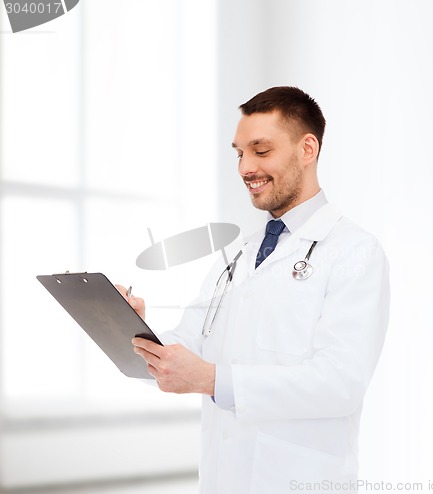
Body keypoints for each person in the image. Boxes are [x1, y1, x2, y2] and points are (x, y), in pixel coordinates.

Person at [118, 86, 390, 494]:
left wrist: (214, 381)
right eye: (239, 152)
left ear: (307, 149)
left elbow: (340, 384)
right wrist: (134, 330)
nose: (245, 167)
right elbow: (189, 348)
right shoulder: (238, 256)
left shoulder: (354, 251)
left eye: (261, 151)